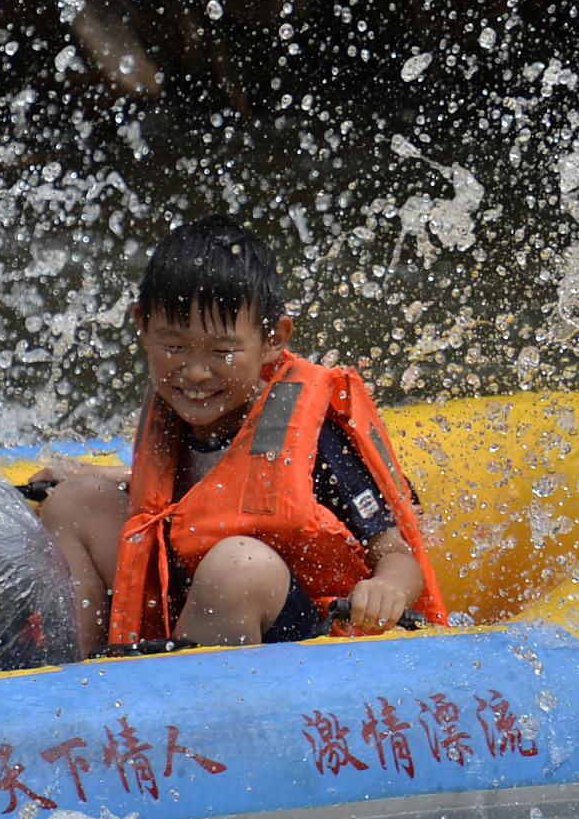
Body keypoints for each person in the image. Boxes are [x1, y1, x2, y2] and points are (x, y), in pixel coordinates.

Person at [36, 215, 447, 654]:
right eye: (173, 347)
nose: (194, 372)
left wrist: (388, 589)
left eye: (222, 351)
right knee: (76, 502)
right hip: (197, 611)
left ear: (274, 338)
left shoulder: (316, 440)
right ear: (142, 325)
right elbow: (197, 495)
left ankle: (194, 707)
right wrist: (97, 475)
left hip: (303, 628)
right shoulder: (179, 416)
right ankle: (78, 676)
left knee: (238, 566)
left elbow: (395, 553)